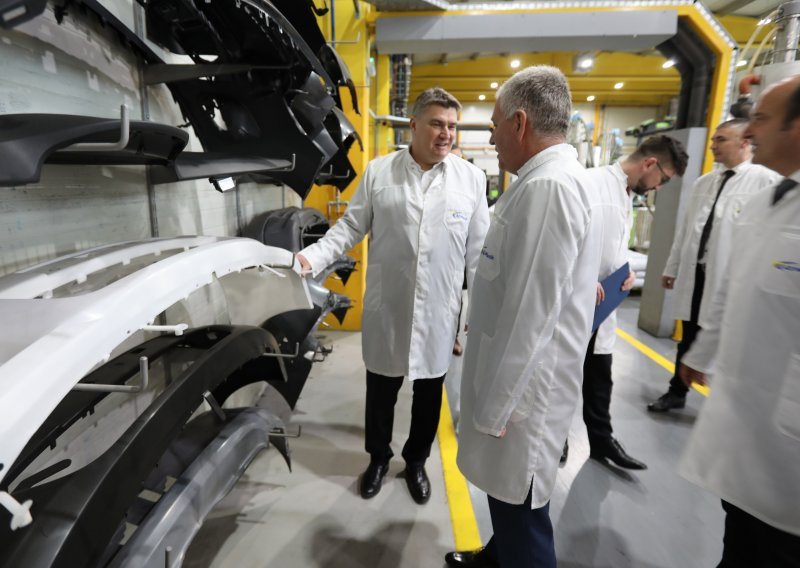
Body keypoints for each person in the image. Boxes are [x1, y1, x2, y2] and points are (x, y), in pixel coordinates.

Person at [297, 88, 490, 504]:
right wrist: (312, 257)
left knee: (428, 395)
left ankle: (416, 461)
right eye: (437, 123)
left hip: (439, 310)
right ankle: (379, 459)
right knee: (381, 391)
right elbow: (350, 228)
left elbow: (479, 255)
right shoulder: (379, 173)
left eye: (452, 126)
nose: (446, 133)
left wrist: (479, 311)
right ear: (414, 125)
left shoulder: (471, 180)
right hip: (389, 306)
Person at [449, 65, 603, 568]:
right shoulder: (545, 181)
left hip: (521, 401)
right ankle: (496, 558)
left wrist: (495, 410)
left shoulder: (549, 188)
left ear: (519, 123)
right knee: (509, 501)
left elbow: (531, 318)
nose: (491, 138)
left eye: (494, 126)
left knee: (522, 511)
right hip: (519, 388)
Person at [677, 75, 800, 567]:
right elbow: (733, 285)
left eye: (763, 119)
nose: (750, 132)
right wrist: (702, 352)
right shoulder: (771, 200)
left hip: (789, 447)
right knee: (742, 539)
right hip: (749, 433)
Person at [562, 135, 689, 470]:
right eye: (663, 180)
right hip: (574, 304)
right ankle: (556, 439)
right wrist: (581, 279)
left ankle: (601, 441)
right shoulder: (590, 183)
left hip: (603, 307)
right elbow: (562, 241)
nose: (659, 187)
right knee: (561, 378)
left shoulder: (626, 194)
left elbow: (611, 246)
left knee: (600, 378)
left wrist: (627, 272)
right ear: (650, 164)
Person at [647, 118, 779, 413]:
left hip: (734, 278)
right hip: (698, 273)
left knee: (730, 339)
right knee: (689, 334)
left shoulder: (765, 181)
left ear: (744, 142)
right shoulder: (704, 182)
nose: (713, 145)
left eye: (721, 139)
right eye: (713, 139)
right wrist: (672, 267)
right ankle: (677, 392)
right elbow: (687, 229)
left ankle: (725, 401)